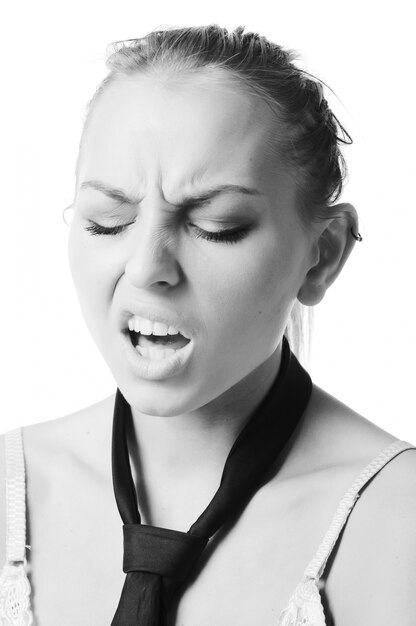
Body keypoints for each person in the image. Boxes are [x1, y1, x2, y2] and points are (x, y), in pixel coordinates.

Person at [0, 24, 415, 626]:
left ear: (321, 254)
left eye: (217, 226)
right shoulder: (9, 491)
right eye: (106, 222)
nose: (147, 269)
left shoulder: (398, 523)